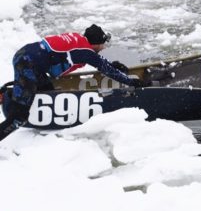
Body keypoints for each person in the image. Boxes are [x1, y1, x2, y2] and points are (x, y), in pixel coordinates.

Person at [0, 25, 143, 141]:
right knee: (19, 117)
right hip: (27, 63)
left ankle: (13, 96)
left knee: (48, 90)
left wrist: (114, 65)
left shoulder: (80, 41)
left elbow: (101, 63)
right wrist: (130, 81)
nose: (103, 48)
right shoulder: (85, 51)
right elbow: (106, 70)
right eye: (102, 45)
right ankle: (15, 107)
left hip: (27, 57)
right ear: (96, 43)